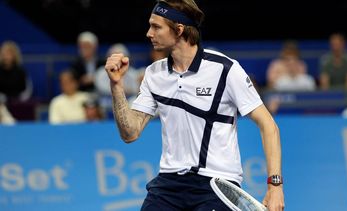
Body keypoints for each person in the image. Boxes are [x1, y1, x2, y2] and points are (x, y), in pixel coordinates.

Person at [105, 0, 284, 210]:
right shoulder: (154, 73)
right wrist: (116, 85)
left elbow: (268, 125)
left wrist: (275, 186)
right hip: (168, 185)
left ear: (179, 30)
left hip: (216, 185)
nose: (148, 33)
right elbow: (130, 133)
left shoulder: (225, 69)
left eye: (156, 26)